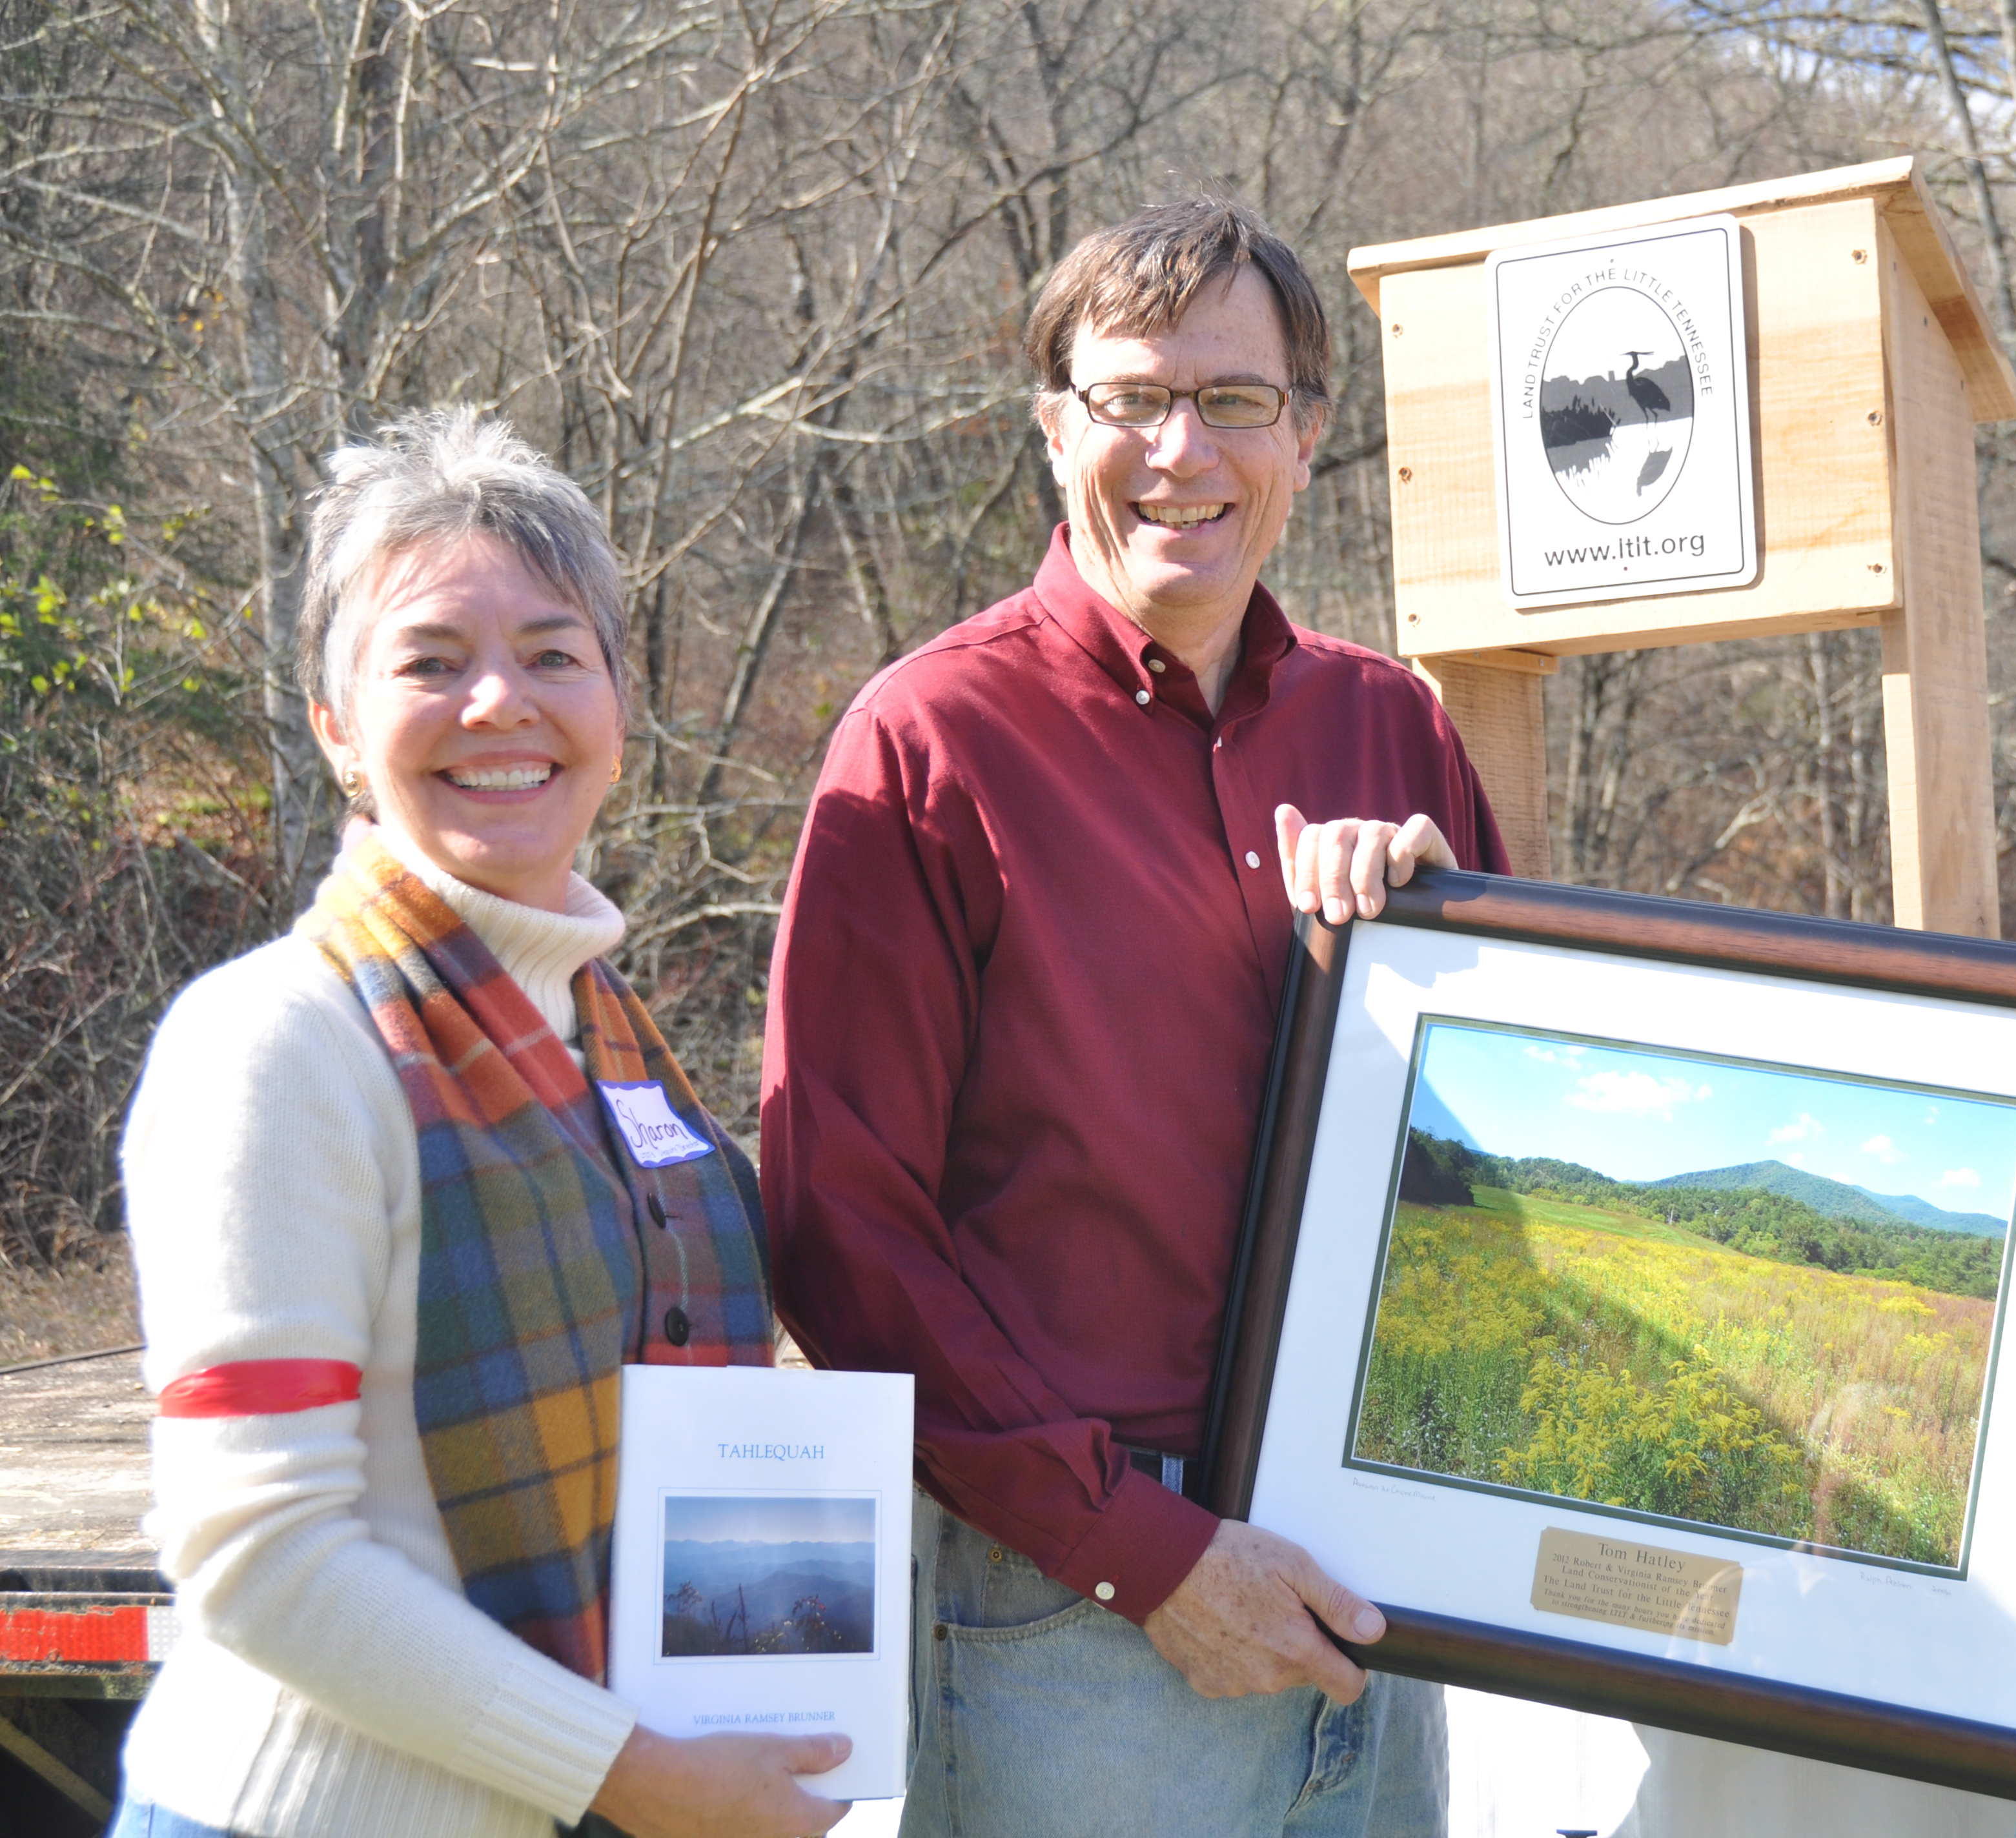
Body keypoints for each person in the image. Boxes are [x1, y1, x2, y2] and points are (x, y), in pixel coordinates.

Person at [762, 197, 1507, 1838]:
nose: (1183, 448)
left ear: (1305, 436)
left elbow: (1492, 1159)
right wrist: (1148, 1558)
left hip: (1376, 1582)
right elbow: (843, 1229)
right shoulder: (925, 744)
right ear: (1053, 430)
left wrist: (1453, 961)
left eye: (1234, 400)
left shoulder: (1393, 730)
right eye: (1130, 400)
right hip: (1075, 1611)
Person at [112, 410, 850, 1838]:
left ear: (619, 706)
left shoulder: (610, 1040)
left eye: (553, 653)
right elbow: (259, 1553)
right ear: (336, 726)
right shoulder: (276, 1040)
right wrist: (631, 1771)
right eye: (430, 662)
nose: (500, 702)